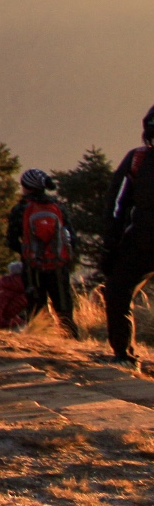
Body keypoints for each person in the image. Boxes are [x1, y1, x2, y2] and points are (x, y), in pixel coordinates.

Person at [101, 106, 154, 367]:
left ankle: (123, 355)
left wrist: (110, 244)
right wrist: (111, 244)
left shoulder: (138, 159)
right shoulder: (138, 160)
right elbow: (117, 204)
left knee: (117, 294)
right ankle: (123, 354)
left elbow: (116, 204)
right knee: (117, 293)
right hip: (140, 243)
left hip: (140, 240)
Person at [5, 168, 78, 335]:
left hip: (33, 268)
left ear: (26, 187)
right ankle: (71, 340)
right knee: (64, 308)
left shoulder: (21, 209)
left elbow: (11, 240)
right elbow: (71, 238)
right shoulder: (58, 207)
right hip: (58, 266)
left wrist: (26, 253)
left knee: (36, 308)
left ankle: (40, 340)